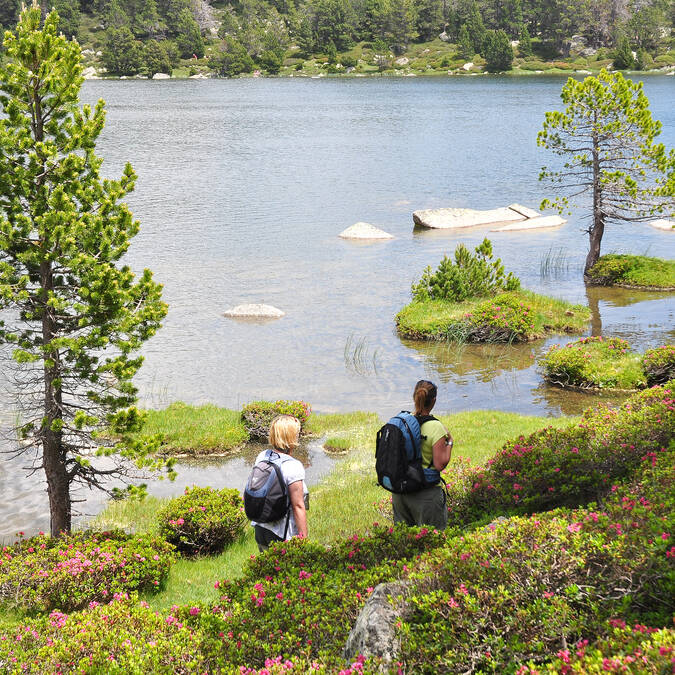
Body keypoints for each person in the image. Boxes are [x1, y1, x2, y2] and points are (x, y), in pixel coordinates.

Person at [392, 380, 453, 531]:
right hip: (425, 495)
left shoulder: (403, 422)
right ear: (434, 401)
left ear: (415, 397)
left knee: (404, 543)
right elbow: (440, 464)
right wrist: (450, 444)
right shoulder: (436, 427)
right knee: (434, 543)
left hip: (400, 493)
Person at [251, 414, 308, 552]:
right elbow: (298, 506)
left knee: (267, 571)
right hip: (281, 534)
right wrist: (304, 540)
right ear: (291, 437)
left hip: (260, 528)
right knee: (286, 572)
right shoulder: (292, 466)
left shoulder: (262, 456)